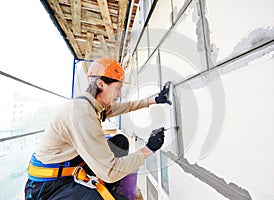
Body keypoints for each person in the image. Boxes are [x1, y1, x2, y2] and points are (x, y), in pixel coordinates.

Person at [24, 57, 171, 200]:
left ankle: (106, 187)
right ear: (101, 84)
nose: (120, 95)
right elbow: (111, 171)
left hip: (71, 166)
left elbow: (127, 106)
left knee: (120, 142)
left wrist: (155, 100)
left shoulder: (91, 105)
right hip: (49, 187)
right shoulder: (83, 113)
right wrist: (149, 149)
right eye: (118, 88)